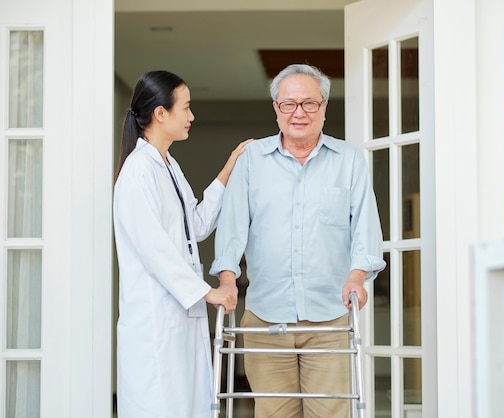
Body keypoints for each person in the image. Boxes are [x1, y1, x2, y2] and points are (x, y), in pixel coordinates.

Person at [210, 63, 386, 417]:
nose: (299, 113)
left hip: (330, 316)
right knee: (275, 413)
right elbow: (231, 228)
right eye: (289, 104)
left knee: (330, 413)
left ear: (324, 108)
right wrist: (227, 279)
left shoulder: (349, 160)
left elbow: (365, 227)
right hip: (266, 316)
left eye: (309, 103)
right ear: (276, 109)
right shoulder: (251, 160)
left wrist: (358, 276)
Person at [113, 70, 252, 418]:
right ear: (161, 113)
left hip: (179, 315)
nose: (191, 117)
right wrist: (208, 292)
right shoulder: (138, 172)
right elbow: (153, 249)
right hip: (155, 318)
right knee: (160, 404)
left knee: (187, 403)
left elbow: (197, 226)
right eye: (186, 108)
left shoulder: (168, 165)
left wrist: (228, 170)